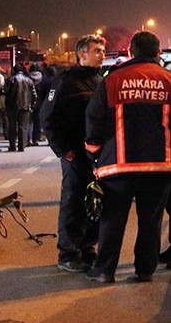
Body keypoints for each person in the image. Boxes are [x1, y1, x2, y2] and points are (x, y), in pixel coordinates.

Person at [84, 31, 171, 283]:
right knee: (151, 222)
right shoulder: (168, 80)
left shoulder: (112, 80)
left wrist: (95, 152)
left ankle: (104, 270)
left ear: (130, 52)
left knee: (112, 219)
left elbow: (94, 119)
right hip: (158, 165)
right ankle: (145, 269)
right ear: (157, 53)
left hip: (118, 164)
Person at [41, 34, 106, 273]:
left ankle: (88, 248)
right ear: (82, 54)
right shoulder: (65, 82)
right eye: (96, 50)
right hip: (75, 154)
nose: (100, 54)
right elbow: (47, 118)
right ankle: (68, 253)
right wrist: (63, 150)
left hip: (98, 154)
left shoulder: (101, 81)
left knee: (95, 202)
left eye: (102, 50)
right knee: (73, 201)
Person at [4, 64, 36, 152]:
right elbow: (34, 95)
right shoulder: (29, 80)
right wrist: (32, 105)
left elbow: (4, 91)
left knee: (12, 126)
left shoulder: (10, 79)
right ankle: (21, 146)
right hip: (25, 106)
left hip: (12, 106)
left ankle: (12, 146)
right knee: (23, 127)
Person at [27, 63, 44, 145]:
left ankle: (28, 139)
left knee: (28, 121)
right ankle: (36, 138)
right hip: (39, 102)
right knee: (37, 121)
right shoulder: (42, 78)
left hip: (28, 101)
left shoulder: (27, 77)